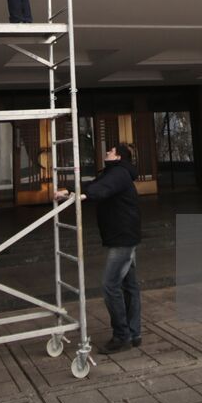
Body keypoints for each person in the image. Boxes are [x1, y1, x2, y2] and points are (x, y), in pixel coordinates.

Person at [55, 143, 141, 353]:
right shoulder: (113, 172)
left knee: (110, 286)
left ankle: (122, 336)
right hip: (122, 236)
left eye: (110, 151)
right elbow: (95, 185)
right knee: (129, 286)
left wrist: (85, 196)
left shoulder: (119, 173)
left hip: (122, 238)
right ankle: (133, 333)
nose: (106, 153)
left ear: (119, 156)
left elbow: (102, 188)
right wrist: (70, 191)